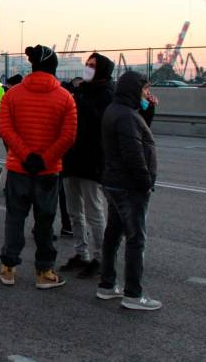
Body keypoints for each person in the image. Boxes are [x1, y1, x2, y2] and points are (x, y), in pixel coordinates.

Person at [0, 45, 77, 289]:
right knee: (45, 222)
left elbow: (5, 127)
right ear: (53, 67)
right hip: (47, 171)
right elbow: (68, 135)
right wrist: (44, 159)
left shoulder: (12, 94)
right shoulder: (65, 97)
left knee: (15, 219)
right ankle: (44, 272)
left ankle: (8, 269)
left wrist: (25, 155)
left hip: (19, 168)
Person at [98, 71, 161, 310]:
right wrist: (145, 182)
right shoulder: (125, 116)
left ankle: (107, 284)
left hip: (114, 182)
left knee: (113, 234)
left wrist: (148, 111)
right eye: (145, 90)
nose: (148, 94)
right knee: (136, 239)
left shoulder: (119, 111)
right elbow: (133, 153)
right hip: (129, 186)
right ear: (134, 90)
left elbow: (136, 135)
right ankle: (133, 294)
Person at [60, 53, 115, 279]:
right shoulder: (81, 90)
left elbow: (97, 121)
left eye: (92, 66)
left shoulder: (107, 94)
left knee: (94, 212)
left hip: (92, 160)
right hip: (72, 158)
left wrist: (78, 100)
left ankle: (100, 257)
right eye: (87, 65)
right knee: (74, 212)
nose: (88, 69)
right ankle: (81, 253)